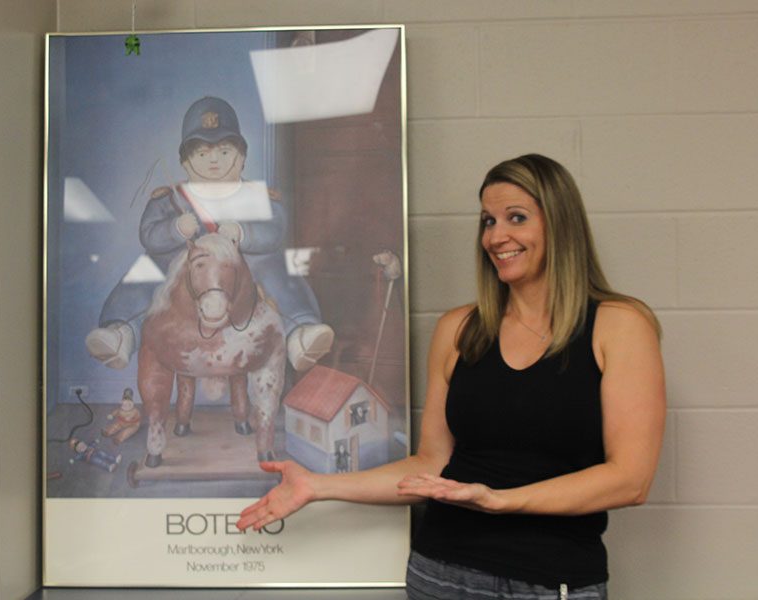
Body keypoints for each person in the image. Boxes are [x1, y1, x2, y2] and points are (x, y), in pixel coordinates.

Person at [236, 154, 665, 599]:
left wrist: (499, 499)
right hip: (440, 573)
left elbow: (630, 479)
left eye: (515, 218)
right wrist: (318, 485)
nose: (497, 237)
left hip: (552, 579)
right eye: (488, 221)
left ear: (559, 223)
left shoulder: (618, 325)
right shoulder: (459, 330)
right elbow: (429, 465)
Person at [85, 96, 334, 373]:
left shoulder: (256, 196)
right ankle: (121, 332)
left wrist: (243, 232)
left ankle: (299, 332)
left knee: (276, 268)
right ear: (186, 161)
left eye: (225, 151)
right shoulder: (170, 199)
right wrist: (175, 229)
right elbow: (149, 235)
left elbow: (275, 230)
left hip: (242, 267)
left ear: (242, 156)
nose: (214, 160)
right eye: (202, 153)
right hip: (186, 266)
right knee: (147, 270)